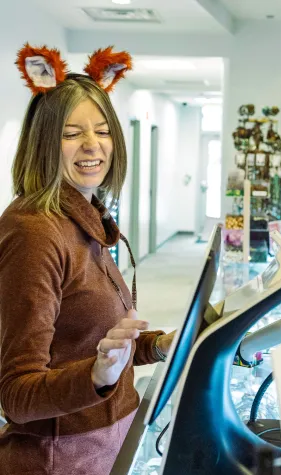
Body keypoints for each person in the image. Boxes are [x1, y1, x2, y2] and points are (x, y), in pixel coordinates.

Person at [0, 44, 174, 474]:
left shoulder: (83, 220)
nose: (92, 145)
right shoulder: (35, 231)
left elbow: (87, 340)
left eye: (102, 130)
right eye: (72, 133)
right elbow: (16, 396)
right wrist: (97, 376)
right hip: (60, 455)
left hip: (106, 441)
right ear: (44, 141)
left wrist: (159, 345)